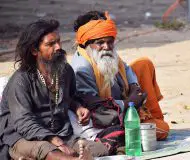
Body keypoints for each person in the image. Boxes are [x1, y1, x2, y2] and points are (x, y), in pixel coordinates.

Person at [0, 19, 111, 160]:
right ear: (34, 50)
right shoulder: (20, 80)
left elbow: (70, 97)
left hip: (61, 133)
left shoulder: (65, 70)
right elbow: (24, 122)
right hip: (23, 137)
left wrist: (77, 107)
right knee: (48, 151)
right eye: (51, 44)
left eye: (58, 41)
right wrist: (57, 143)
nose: (58, 47)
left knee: (100, 150)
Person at [70, 11, 169, 140]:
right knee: (162, 130)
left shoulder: (104, 53)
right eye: (100, 43)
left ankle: (151, 118)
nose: (106, 47)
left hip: (126, 102)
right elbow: (96, 108)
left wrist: (134, 87)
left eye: (110, 42)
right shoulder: (81, 69)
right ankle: (147, 125)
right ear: (86, 43)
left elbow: (126, 68)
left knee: (143, 64)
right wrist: (129, 102)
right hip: (108, 118)